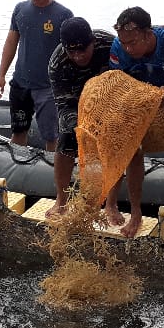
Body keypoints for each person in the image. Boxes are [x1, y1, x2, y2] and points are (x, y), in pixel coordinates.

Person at [109, 6, 164, 238]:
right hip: (138, 95)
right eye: (124, 43)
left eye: (133, 43)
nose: (128, 48)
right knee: (134, 149)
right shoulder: (118, 47)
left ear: (148, 34)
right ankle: (136, 212)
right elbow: (116, 87)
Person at [0, 0, 73, 151]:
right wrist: (1, 75)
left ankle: (52, 169)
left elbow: (72, 55)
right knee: (18, 133)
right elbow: (11, 42)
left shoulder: (64, 15)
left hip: (48, 88)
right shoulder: (20, 10)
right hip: (20, 84)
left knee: (52, 138)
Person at [45, 16, 117, 219]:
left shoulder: (109, 44)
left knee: (114, 140)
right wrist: (81, 126)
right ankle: (61, 200)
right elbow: (63, 105)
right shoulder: (57, 63)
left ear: (92, 41)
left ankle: (111, 204)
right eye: (72, 52)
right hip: (74, 101)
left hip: (108, 95)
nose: (78, 56)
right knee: (66, 137)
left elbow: (125, 79)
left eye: (83, 50)